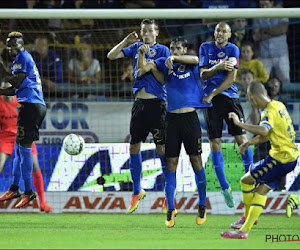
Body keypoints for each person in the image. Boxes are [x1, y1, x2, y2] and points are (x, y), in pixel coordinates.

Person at [137, 37, 210, 227]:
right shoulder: (164, 63)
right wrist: (143, 56)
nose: (174, 51)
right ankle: (170, 208)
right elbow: (142, 70)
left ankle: (202, 204)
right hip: (171, 120)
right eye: (172, 48)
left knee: (196, 161)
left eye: (178, 48)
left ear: (184, 49)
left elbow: (195, 60)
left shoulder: (189, 63)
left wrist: (176, 59)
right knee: (170, 163)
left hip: (190, 119)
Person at [221, 81, 299, 239]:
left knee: (246, 180)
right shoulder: (279, 105)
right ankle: (244, 229)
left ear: (253, 97)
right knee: (261, 191)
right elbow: (267, 135)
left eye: (250, 99)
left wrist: (238, 123)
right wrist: (249, 142)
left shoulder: (268, 112)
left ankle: (246, 219)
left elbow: (264, 129)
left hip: (279, 159)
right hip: (291, 158)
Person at [107, 19, 170, 213]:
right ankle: (136, 192)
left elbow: (165, 77)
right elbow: (111, 56)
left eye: (151, 30)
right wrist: (126, 40)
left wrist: (150, 65)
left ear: (157, 33)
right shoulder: (135, 47)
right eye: (144, 31)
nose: (147, 33)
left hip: (158, 104)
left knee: (161, 148)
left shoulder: (163, 51)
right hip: (139, 104)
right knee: (134, 146)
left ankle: (169, 194)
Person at [199, 22, 253, 208]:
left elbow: (232, 78)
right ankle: (225, 188)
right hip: (211, 102)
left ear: (229, 34)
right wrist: (217, 67)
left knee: (242, 140)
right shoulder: (205, 47)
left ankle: (250, 182)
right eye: (217, 30)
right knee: (215, 143)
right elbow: (203, 75)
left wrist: (213, 93)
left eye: (223, 31)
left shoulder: (233, 49)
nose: (219, 33)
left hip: (228, 98)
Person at [0, 31, 47, 209]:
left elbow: (17, 82)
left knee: (24, 149)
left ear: (22, 44)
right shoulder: (19, 61)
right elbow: (15, 89)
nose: (11, 48)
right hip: (30, 105)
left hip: (32, 106)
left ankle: (28, 192)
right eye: (8, 45)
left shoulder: (22, 57)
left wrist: (2, 72)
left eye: (14, 44)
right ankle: (14, 187)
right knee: (19, 149)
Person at [0, 89, 52, 212]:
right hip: (5, 138)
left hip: (23, 136)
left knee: (35, 166)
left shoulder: (22, 101)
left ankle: (42, 203)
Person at [252, 0, 290, 83]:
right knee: (260, 81)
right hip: (264, 55)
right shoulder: (257, 15)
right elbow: (256, 36)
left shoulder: (281, 11)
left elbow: (283, 29)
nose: (264, 7)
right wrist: (275, 32)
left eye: (266, 4)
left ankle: (286, 96)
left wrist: (264, 30)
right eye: (262, 5)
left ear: (272, 3)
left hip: (281, 54)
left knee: (285, 80)